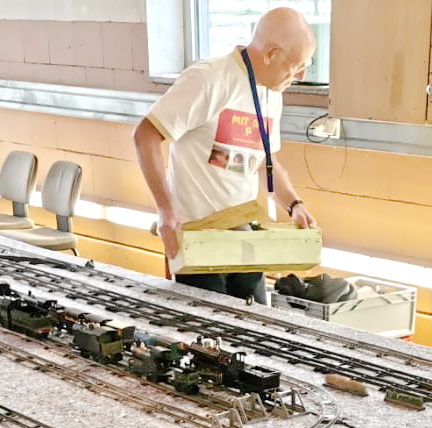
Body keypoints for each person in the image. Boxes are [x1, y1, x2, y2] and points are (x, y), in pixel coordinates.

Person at [133, 6, 319, 304]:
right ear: (271, 54)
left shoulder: (272, 93)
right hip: (198, 238)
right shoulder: (208, 79)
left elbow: (263, 161)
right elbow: (145, 136)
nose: (301, 75)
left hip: (244, 236)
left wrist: (294, 204)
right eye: (296, 65)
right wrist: (166, 210)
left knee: (255, 326)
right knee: (208, 329)